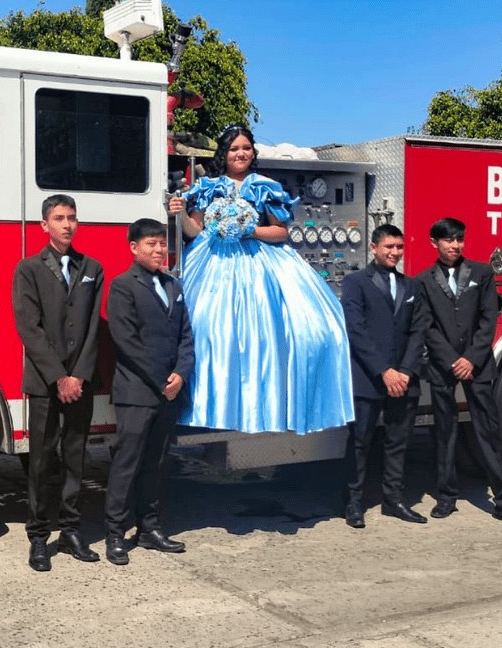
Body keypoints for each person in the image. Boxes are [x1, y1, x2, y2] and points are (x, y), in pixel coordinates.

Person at [168, 125, 353, 434]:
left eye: (246, 148)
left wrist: (247, 230)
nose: (241, 153)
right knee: (208, 328)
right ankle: (211, 404)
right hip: (211, 261)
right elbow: (195, 232)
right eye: (234, 149)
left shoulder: (266, 185)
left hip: (261, 262)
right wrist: (179, 215)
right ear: (223, 154)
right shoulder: (207, 186)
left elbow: (281, 232)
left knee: (283, 330)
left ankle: (266, 402)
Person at [417, 217, 502, 529]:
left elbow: (488, 318)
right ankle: (446, 497)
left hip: (478, 365)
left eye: (459, 240)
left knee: (488, 432)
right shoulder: (424, 280)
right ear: (434, 243)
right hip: (443, 367)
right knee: (445, 432)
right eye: (448, 240)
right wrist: (452, 359)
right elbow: (427, 326)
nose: (455, 246)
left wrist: (470, 358)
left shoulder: (482, 273)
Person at [12, 194, 105, 572]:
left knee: (75, 457)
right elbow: (29, 329)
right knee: (41, 460)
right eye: (59, 218)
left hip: (79, 381)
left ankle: (71, 530)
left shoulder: (92, 268)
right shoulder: (29, 269)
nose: (66, 225)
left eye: (72, 218)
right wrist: (58, 377)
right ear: (44, 225)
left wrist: (78, 375)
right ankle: (38, 536)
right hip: (45, 382)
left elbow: (93, 328)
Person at [103, 218, 194, 566]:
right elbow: (126, 342)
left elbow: (186, 337)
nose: (159, 250)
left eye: (162, 244)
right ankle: (114, 533)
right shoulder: (123, 286)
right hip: (137, 392)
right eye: (151, 244)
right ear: (134, 248)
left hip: (169, 391)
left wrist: (180, 375)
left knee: (156, 464)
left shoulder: (174, 285)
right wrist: (161, 379)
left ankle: (149, 529)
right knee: (127, 464)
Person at [340, 224, 431, 529]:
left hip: (405, 380)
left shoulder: (413, 286)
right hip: (369, 379)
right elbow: (356, 330)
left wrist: (405, 371)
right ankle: (354, 503)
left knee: (398, 442)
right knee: (360, 442)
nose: (394, 252)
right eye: (389, 247)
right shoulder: (354, 283)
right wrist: (384, 371)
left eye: (399, 247)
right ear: (374, 248)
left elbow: (419, 331)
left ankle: (394, 500)